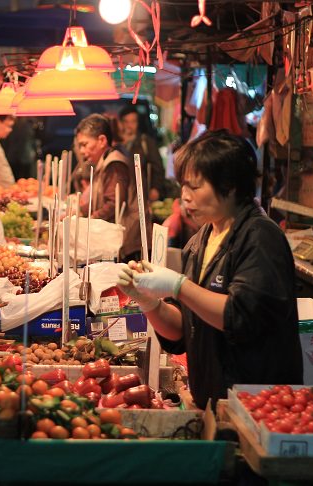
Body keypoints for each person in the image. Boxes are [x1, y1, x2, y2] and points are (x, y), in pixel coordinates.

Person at [116, 130, 303, 408]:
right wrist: (148, 302)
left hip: (259, 407)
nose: (185, 197)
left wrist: (180, 286)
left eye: (195, 186)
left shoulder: (261, 238)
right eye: (183, 186)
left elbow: (239, 317)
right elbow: (182, 331)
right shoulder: (201, 240)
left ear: (229, 186)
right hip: (213, 402)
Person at [75, 114, 148, 262]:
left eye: (84, 144)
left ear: (102, 140)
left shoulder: (114, 164)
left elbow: (114, 204)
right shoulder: (104, 162)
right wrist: (80, 211)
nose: (81, 151)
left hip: (128, 245)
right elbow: (100, 198)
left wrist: (88, 220)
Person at [118, 105, 167, 202]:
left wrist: (156, 188)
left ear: (137, 123)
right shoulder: (116, 143)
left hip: (141, 194)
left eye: (133, 121)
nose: (129, 125)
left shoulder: (146, 142)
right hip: (121, 194)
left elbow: (157, 166)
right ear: (121, 123)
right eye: (126, 121)